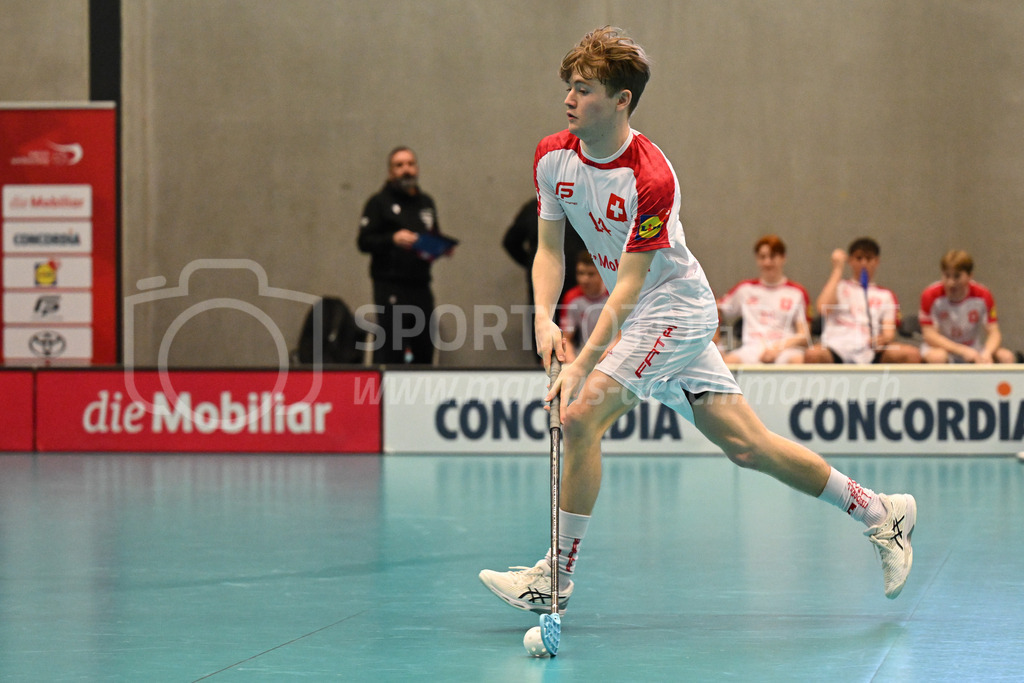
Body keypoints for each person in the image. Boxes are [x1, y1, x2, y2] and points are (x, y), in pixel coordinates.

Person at [478, 27, 917, 619]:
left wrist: (581, 364)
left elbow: (631, 287)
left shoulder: (650, 179)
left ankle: (553, 578)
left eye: (583, 89)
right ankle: (880, 513)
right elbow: (550, 250)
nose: (569, 99)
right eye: (569, 87)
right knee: (747, 446)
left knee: (581, 415)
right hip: (645, 319)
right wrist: (543, 319)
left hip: (674, 309)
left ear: (622, 100)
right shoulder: (552, 155)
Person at [357, 147, 454, 364]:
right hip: (390, 285)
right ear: (390, 171)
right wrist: (392, 239)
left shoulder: (426, 203)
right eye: (399, 165)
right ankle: (390, 395)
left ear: (417, 168)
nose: (406, 170)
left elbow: (431, 234)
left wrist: (440, 247)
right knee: (394, 346)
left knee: (423, 344)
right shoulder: (378, 203)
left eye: (410, 164)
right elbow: (364, 242)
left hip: (420, 284)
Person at [804, 238, 921, 364]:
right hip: (836, 347)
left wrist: (884, 339)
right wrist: (837, 269)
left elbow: (889, 332)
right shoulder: (838, 287)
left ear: (876, 261)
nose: (864, 263)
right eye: (859, 258)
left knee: (911, 354)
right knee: (813, 354)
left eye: (869, 258)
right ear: (850, 261)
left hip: (870, 350)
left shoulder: (886, 295)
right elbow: (822, 308)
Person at [503, 198, 586, 356]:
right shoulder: (533, 208)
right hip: (547, 293)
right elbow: (511, 242)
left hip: (578, 289)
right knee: (546, 344)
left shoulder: (582, 204)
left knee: (579, 348)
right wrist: (532, 266)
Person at [716, 234, 810, 364]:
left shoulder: (797, 292)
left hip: (784, 349)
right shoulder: (745, 289)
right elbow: (716, 308)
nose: (767, 262)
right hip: (752, 349)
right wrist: (716, 341)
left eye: (772, 256)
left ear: (783, 258)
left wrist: (778, 348)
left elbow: (804, 334)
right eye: (762, 257)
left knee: (799, 360)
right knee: (728, 363)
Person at [919, 249, 1016, 364]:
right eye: (947, 276)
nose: (951, 283)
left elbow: (994, 332)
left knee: (1006, 356)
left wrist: (987, 352)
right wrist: (961, 350)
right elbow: (929, 335)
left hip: (973, 348)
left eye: (957, 276)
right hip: (942, 348)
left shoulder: (983, 296)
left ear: (970, 276)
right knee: (938, 357)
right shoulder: (930, 295)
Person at [559, 251, 609, 362]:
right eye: (581, 273)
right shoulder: (571, 298)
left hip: (614, 356)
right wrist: (571, 361)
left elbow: (621, 336)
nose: (584, 280)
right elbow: (566, 338)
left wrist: (601, 359)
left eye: (591, 274)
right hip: (584, 358)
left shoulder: (614, 294)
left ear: (602, 273)